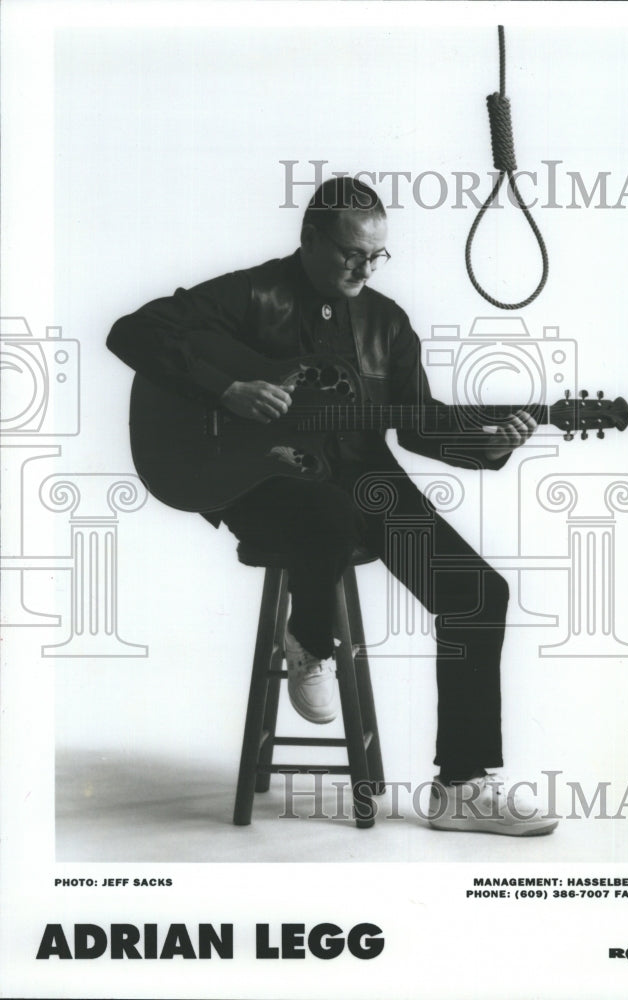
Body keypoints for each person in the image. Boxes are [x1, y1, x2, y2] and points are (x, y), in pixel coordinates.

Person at [107, 176, 557, 837]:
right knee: (326, 516)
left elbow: (421, 423)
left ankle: (460, 786)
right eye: (351, 254)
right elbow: (133, 331)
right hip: (256, 477)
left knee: (476, 593)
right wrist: (226, 388)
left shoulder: (387, 322)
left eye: (378, 256)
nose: (365, 268)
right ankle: (310, 640)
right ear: (310, 239)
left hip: (362, 474)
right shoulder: (251, 293)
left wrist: (490, 446)